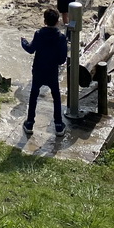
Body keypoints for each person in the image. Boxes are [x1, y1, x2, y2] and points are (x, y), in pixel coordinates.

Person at [20, 7, 69, 137]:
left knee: (34, 95)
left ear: (44, 21)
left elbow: (30, 49)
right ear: (57, 21)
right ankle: (58, 125)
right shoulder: (61, 37)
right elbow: (62, 60)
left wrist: (23, 42)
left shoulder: (39, 34)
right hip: (52, 71)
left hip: (38, 69)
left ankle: (29, 123)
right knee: (56, 97)